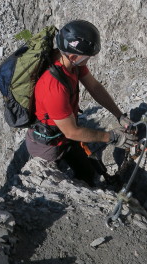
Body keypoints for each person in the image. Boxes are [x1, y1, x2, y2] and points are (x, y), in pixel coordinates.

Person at [24, 20, 136, 186]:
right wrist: (112, 137)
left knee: (87, 172)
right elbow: (72, 132)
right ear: (73, 56)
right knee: (57, 186)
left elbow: (94, 87)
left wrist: (119, 115)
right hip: (47, 145)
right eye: (88, 57)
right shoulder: (53, 86)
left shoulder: (72, 63)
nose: (89, 60)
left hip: (64, 134)